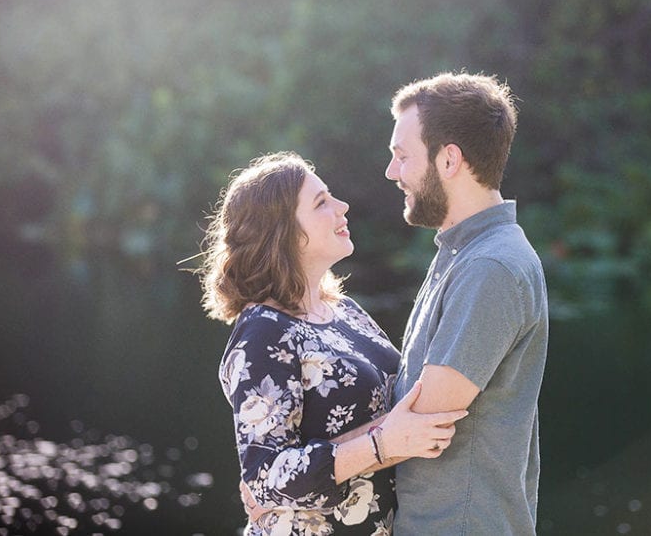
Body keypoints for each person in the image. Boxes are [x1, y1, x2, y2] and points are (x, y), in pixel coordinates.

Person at [197, 152, 468, 536]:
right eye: (322, 202)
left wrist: (387, 439)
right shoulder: (263, 331)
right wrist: (380, 445)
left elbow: (391, 420)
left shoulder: (346, 312)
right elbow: (264, 475)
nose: (343, 207)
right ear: (283, 232)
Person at [384, 72, 549, 535]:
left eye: (402, 156)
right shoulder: (463, 253)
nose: (392, 172)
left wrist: (292, 471)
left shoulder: (490, 267)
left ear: (449, 159)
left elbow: (419, 425)